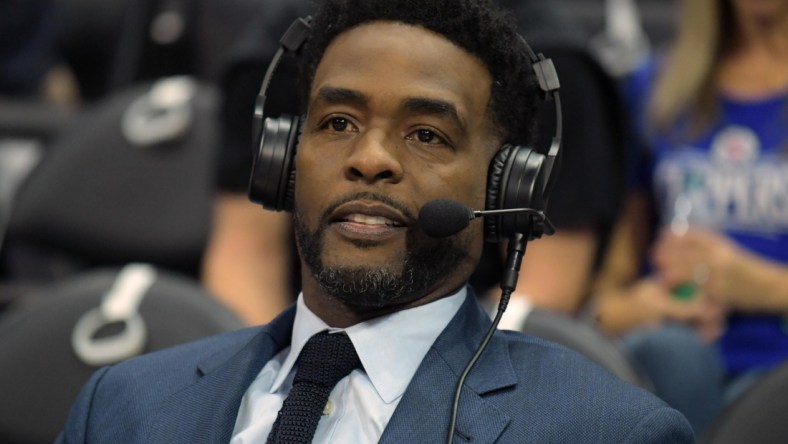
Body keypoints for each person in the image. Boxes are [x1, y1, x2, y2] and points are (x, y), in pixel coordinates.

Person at [57, 0, 693, 442]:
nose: (368, 159)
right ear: (283, 161)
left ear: (506, 186)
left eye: (425, 134)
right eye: (337, 123)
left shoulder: (605, 432)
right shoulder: (123, 404)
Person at [591, 0, 788, 436]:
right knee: (670, 355)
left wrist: (759, 284)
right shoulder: (657, 86)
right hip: (676, 357)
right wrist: (634, 308)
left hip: (775, 364)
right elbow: (610, 284)